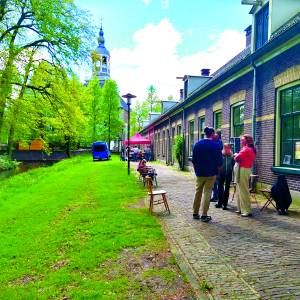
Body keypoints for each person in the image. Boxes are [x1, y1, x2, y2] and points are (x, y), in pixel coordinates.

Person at [192, 127, 223, 222]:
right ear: (213, 134)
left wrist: (196, 171)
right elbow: (219, 163)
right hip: (211, 173)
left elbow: (194, 160)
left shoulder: (197, 144)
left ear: (204, 133)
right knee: (207, 193)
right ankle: (204, 215)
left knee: (198, 192)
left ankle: (195, 213)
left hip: (200, 173)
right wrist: (217, 173)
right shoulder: (215, 146)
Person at [234, 134, 256, 217]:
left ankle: (247, 210)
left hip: (243, 169)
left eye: (242, 140)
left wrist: (235, 155)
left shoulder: (246, 149)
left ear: (247, 141)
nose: (241, 141)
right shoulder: (251, 149)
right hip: (246, 169)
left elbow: (236, 158)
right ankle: (240, 208)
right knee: (240, 190)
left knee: (243, 191)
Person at [215, 143, 234, 210]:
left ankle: (225, 204)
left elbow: (233, 165)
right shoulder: (220, 155)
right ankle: (220, 203)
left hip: (228, 174)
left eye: (228, 148)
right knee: (220, 188)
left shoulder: (232, 156)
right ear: (223, 148)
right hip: (220, 174)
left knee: (227, 189)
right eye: (225, 148)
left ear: (230, 149)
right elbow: (216, 163)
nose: (226, 149)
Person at [211, 130, 223, 202]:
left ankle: (219, 197)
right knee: (214, 182)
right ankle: (215, 196)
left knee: (218, 181)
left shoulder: (219, 142)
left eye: (215, 134)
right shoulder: (215, 142)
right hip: (214, 164)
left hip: (217, 165)